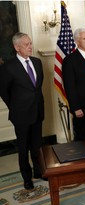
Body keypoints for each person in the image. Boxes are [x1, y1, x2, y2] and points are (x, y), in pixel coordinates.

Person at [0, 32, 45, 190]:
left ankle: (39, 171)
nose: (30, 47)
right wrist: (15, 106)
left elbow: (37, 87)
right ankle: (27, 177)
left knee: (37, 145)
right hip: (21, 114)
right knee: (23, 147)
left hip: (38, 111)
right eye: (26, 45)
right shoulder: (8, 67)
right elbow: (3, 91)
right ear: (17, 47)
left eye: (30, 43)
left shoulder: (37, 62)